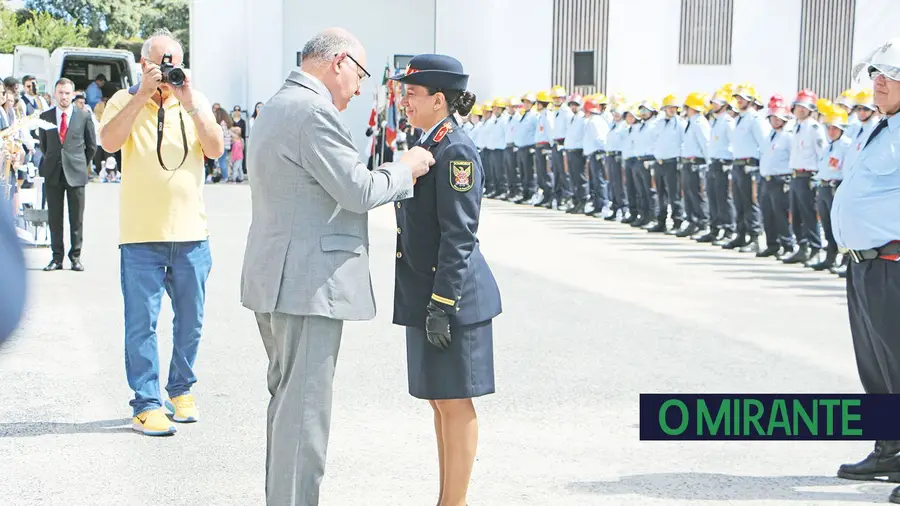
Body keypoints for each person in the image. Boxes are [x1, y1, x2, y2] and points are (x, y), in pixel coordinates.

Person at [240, 27, 433, 506]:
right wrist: (406, 166)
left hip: (281, 279)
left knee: (289, 412)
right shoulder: (311, 111)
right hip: (306, 284)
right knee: (304, 420)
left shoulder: (278, 104)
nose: (361, 86)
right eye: (361, 74)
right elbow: (358, 190)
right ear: (339, 62)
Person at [98, 28, 224, 436]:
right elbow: (109, 142)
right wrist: (139, 96)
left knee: (191, 320)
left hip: (191, 234)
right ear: (143, 64)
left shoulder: (194, 100)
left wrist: (189, 102)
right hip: (141, 235)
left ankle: (181, 390)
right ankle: (146, 402)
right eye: (159, 61)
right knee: (141, 323)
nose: (167, 69)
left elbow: (216, 148)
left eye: (173, 61)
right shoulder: (123, 100)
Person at [389, 53, 502, 506]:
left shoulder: (454, 149)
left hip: (453, 298)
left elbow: (459, 235)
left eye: (412, 94)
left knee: (455, 402)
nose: (404, 101)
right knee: (439, 401)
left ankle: (454, 503)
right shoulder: (429, 142)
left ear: (439, 100)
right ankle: (446, 498)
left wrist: (441, 304)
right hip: (431, 294)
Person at [833, 38, 900, 505]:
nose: (879, 80)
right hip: (864, 265)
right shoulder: (881, 127)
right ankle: (890, 449)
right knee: (876, 368)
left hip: (893, 263)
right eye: (877, 71)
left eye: (891, 74)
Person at [38, 78, 97, 272]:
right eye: (60, 93)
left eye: (67, 93)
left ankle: (76, 257)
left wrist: (80, 164)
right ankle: (56, 258)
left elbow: (91, 147)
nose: (64, 97)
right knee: (55, 218)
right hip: (53, 173)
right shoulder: (45, 117)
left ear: (73, 95)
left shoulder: (83, 116)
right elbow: (44, 145)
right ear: (55, 94)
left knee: (76, 219)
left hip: (76, 173)